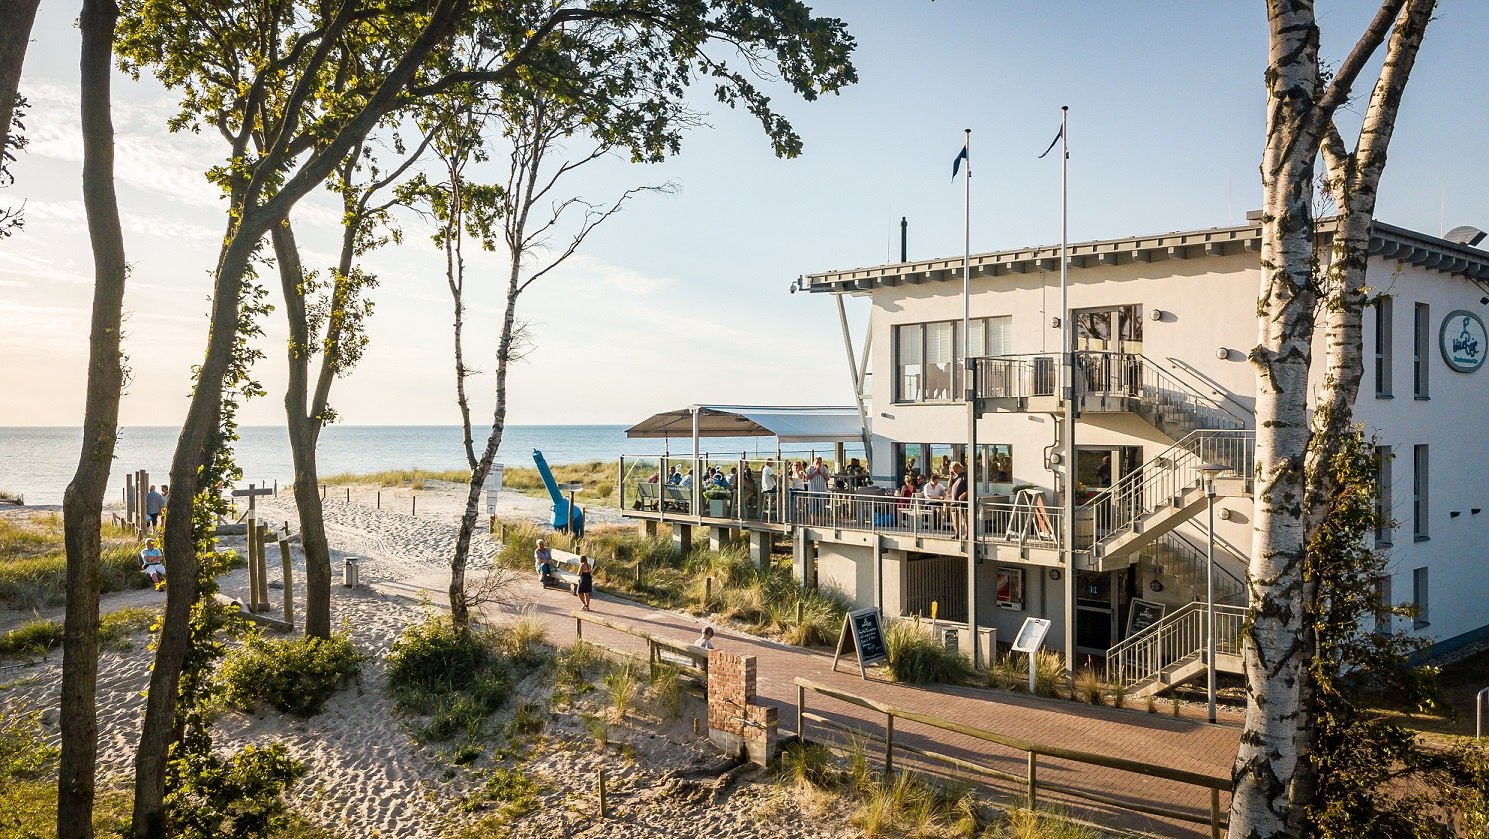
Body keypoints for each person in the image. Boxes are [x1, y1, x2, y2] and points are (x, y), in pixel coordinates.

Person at [948, 462, 969, 539]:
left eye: (953, 468)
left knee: (965, 517)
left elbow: (970, 487)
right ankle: (957, 533)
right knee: (954, 516)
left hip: (964, 500)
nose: (952, 470)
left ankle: (967, 534)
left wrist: (964, 494)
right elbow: (949, 485)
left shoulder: (965, 475)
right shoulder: (955, 475)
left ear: (958, 467)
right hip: (954, 499)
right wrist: (951, 476)